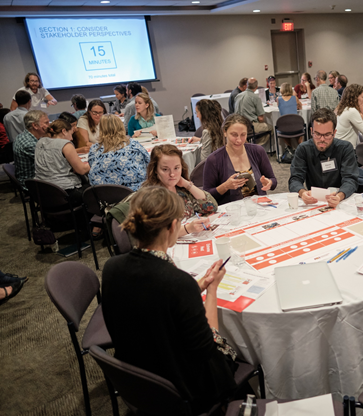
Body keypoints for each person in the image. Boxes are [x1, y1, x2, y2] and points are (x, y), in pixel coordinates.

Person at [102, 186, 238, 415]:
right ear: (173, 226)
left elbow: (153, 298)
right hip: (183, 389)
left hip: (137, 376)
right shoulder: (177, 283)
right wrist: (212, 290)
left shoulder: (111, 267)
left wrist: (200, 285)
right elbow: (208, 348)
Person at [289, 108, 358, 208]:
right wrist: (302, 192)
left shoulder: (345, 148)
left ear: (334, 133)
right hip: (313, 203)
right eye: (317, 134)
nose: (322, 139)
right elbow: (295, 179)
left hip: (340, 201)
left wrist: (339, 196)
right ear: (311, 131)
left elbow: (351, 180)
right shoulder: (303, 149)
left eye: (327, 135)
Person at [203, 114, 277, 205]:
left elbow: (273, 181)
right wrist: (225, 186)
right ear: (224, 132)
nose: (239, 140)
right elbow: (206, 196)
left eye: (243, 135)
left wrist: (269, 183)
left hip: (259, 208)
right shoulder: (214, 160)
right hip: (233, 211)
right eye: (234, 135)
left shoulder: (257, 151)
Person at [34, 119, 90, 205]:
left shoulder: (40, 141)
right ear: (64, 131)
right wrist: (95, 163)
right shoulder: (66, 144)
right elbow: (82, 170)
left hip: (41, 192)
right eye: (71, 134)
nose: (71, 138)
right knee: (95, 188)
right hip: (64, 192)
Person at [88, 115, 150, 192]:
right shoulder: (134, 145)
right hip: (135, 195)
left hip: (105, 196)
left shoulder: (94, 149)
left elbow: (91, 166)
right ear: (121, 127)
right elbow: (149, 164)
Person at [13, 110, 49, 187]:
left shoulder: (24, 135)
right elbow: (52, 162)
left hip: (34, 177)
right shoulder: (29, 144)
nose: (49, 125)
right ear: (35, 126)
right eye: (46, 123)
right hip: (33, 184)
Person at [235, 77, 273, 147]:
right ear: (256, 87)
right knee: (271, 128)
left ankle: (252, 145)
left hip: (238, 125)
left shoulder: (238, 96)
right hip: (250, 126)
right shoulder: (255, 98)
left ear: (246, 85)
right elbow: (261, 118)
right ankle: (256, 147)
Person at [277, 83, 304, 150]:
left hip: (284, 128)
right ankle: (300, 148)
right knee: (300, 128)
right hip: (296, 126)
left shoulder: (278, 99)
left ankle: (290, 148)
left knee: (281, 127)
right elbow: (300, 107)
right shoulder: (295, 98)